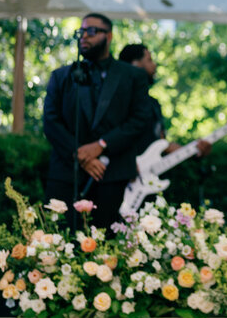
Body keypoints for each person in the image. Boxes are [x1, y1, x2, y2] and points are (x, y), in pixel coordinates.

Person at [42, 14, 151, 228]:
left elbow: (140, 119)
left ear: (108, 36)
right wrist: (80, 154)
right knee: (57, 240)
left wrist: (101, 145)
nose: (84, 37)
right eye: (81, 32)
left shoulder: (133, 76)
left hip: (112, 175)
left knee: (104, 246)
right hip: (66, 174)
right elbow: (50, 121)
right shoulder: (61, 76)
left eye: (92, 31)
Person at [118, 43, 211, 161]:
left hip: (149, 176)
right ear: (135, 64)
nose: (155, 65)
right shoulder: (118, 101)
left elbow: (162, 144)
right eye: (149, 60)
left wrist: (196, 151)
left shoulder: (153, 104)